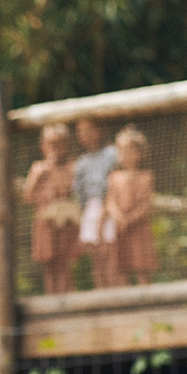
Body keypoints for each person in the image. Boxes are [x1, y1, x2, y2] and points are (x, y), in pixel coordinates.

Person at [23, 124, 79, 294]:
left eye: (60, 143)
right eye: (51, 144)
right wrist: (39, 176)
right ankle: (52, 300)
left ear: (67, 145)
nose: (55, 148)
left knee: (65, 263)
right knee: (49, 264)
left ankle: (67, 298)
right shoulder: (38, 168)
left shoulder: (72, 167)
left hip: (66, 223)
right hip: (45, 223)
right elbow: (27, 197)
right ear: (43, 146)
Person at [103, 124, 159, 286]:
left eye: (130, 151)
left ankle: (147, 298)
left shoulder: (146, 177)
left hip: (139, 228)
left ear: (140, 153)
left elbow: (146, 203)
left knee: (142, 265)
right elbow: (110, 202)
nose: (126, 155)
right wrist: (119, 217)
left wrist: (131, 218)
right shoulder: (114, 177)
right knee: (122, 267)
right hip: (120, 229)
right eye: (122, 151)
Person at [72, 119, 117, 289]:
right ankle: (102, 297)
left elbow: (114, 182)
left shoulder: (112, 154)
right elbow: (79, 192)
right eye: (82, 132)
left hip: (110, 207)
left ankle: (117, 296)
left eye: (90, 130)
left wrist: (106, 209)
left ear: (100, 130)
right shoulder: (81, 162)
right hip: (90, 210)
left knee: (110, 253)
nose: (86, 135)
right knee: (96, 256)